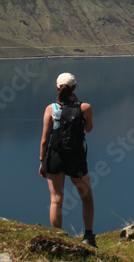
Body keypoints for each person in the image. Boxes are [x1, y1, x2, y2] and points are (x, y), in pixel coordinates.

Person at [39, 72, 96, 247]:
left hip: (55, 157)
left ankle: (58, 240)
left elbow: (44, 139)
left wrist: (42, 162)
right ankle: (88, 237)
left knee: (56, 200)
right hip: (76, 158)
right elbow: (89, 129)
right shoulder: (84, 108)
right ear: (74, 88)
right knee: (86, 197)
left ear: (57, 87)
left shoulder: (51, 109)